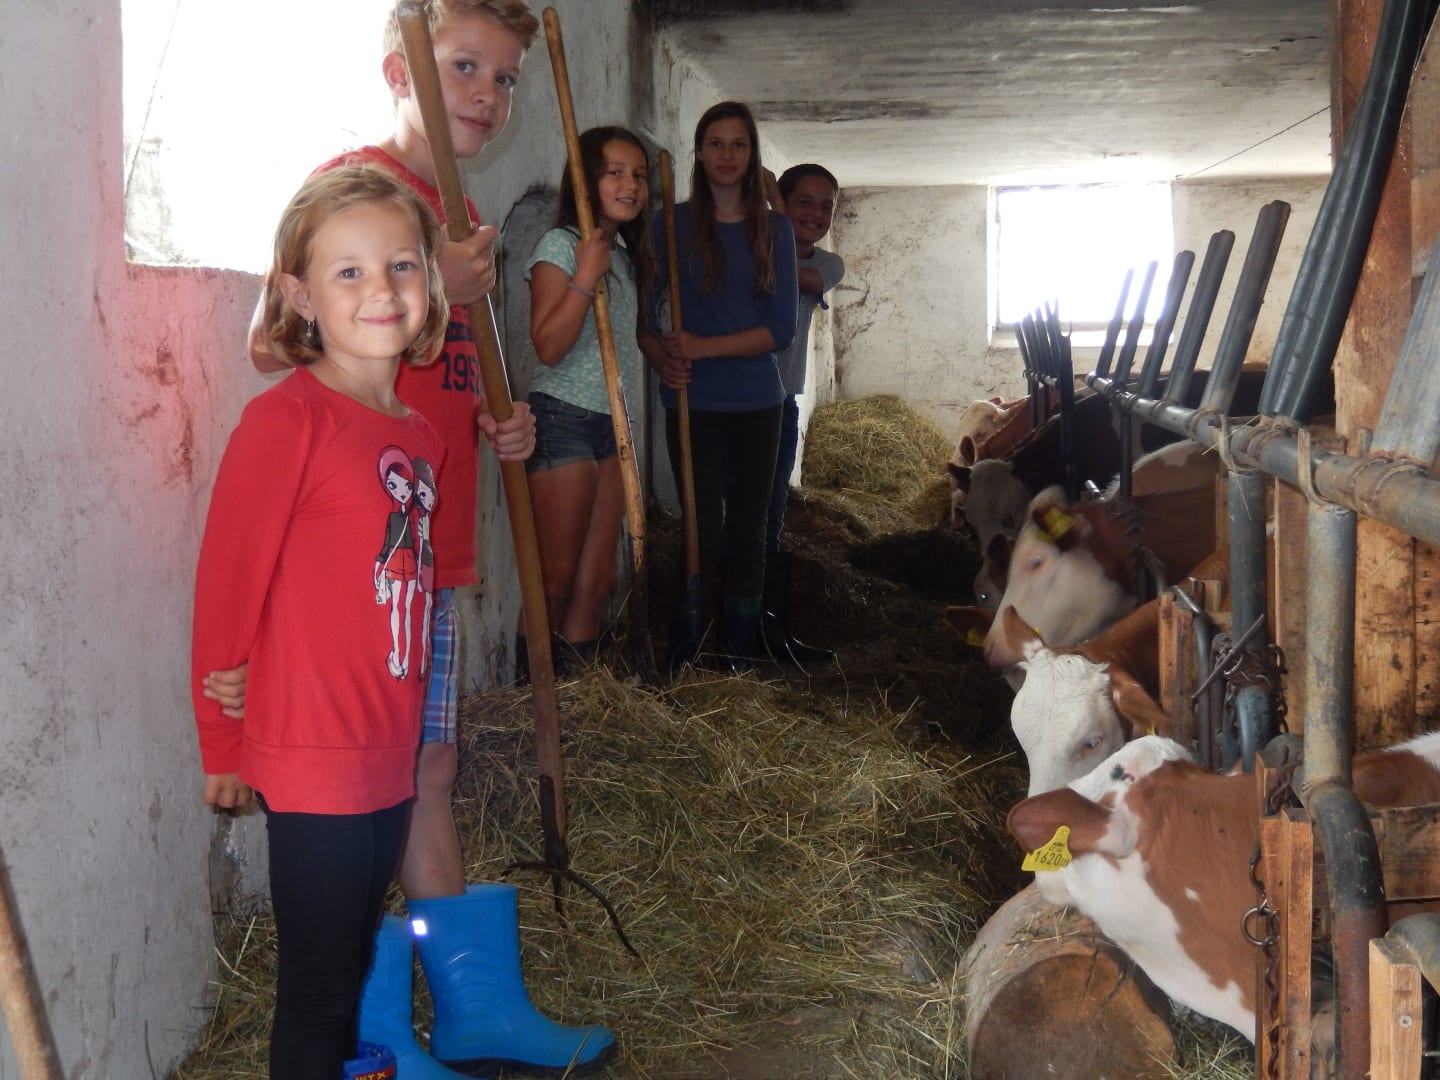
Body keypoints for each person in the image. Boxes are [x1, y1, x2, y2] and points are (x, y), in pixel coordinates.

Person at [202, 2, 615, 1075]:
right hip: (365, 556)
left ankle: (464, 1007)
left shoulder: (461, 209)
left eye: (505, 77)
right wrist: (435, 269)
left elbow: (440, 374)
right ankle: (377, 1020)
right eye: (462, 66)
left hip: (425, 535)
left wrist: (494, 423)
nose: (486, 92)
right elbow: (280, 346)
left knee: (427, 765)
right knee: (389, 786)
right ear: (401, 71)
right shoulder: (367, 189)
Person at [191, 164, 450, 1078]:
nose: (383, 289)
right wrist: (223, 741)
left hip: (387, 746)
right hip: (313, 750)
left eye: (402, 265)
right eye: (349, 271)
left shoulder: (419, 435)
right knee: (319, 987)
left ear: (430, 280)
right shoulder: (287, 422)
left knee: (352, 965)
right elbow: (228, 587)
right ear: (300, 295)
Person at [649, 101, 798, 670]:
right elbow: (646, 316)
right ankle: (688, 650)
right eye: (716, 143)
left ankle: (738, 655)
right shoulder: (672, 225)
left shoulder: (775, 229)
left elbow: (780, 330)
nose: (727, 154)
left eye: (738, 144)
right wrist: (663, 360)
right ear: (699, 152)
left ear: (752, 153)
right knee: (699, 527)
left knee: (748, 528)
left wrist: (702, 347)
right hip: (692, 400)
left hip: (758, 401)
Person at [519, 125, 655, 677]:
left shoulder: (622, 257)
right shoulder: (562, 245)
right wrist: (584, 277)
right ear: (585, 181)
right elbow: (548, 345)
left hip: (613, 427)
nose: (631, 185)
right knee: (554, 578)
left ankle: (576, 705)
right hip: (563, 421)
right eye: (614, 172)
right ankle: (531, 704)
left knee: (596, 583)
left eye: (639, 175)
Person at [760, 163, 845, 665]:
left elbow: (797, 277)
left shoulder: (829, 265)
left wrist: (773, 209)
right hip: (734, 400)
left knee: (772, 511)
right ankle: (734, 626)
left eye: (825, 205)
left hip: (780, 402)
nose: (816, 214)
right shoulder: (754, 248)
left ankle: (766, 628)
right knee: (739, 513)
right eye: (802, 203)